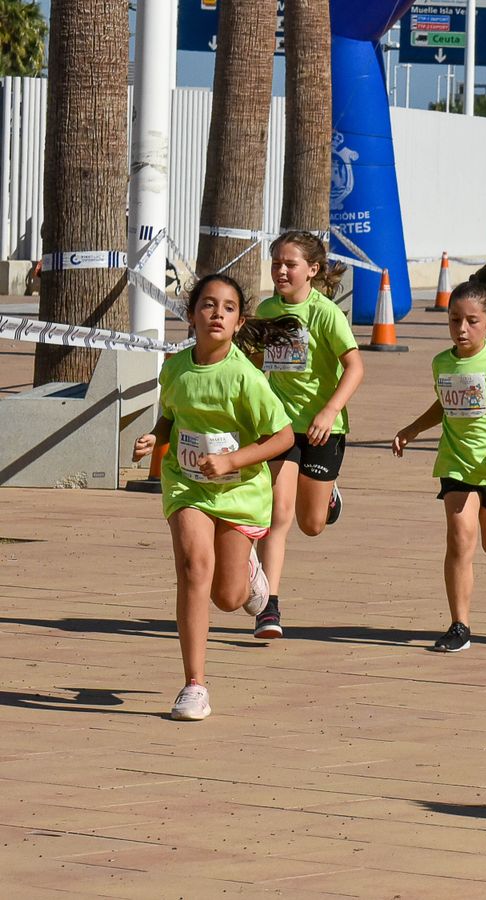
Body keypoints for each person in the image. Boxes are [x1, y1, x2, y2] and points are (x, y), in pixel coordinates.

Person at [131, 273, 298, 721]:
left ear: (240, 321)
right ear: (191, 315)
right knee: (192, 568)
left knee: (228, 597)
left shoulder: (246, 379)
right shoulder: (175, 366)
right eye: (208, 305)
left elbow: (281, 437)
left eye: (227, 307)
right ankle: (194, 685)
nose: (217, 313)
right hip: (186, 485)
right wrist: (155, 437)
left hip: (239, 492)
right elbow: (171, 412)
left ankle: (249, 574)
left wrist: (233, 461)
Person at [391, 277, 486, 653]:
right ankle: (459, 626)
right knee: (460, 539)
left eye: (472, 321)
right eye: (454, 319)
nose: (462, 328)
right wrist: (412, 429)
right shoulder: (442, 362)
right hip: (456, 465)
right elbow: (443, 404)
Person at [253, 231, 364, 641]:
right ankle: (269, 605)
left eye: (290, 264)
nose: (281, 270)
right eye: (276, 263)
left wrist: (330, 409)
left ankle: (329, 495)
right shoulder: (266, 310)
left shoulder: (326, 314)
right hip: (281, 427)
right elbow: (252, 362)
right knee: (277, 516)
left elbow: (355, 368)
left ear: (312, 271)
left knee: (311, 523)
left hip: (322, 427)